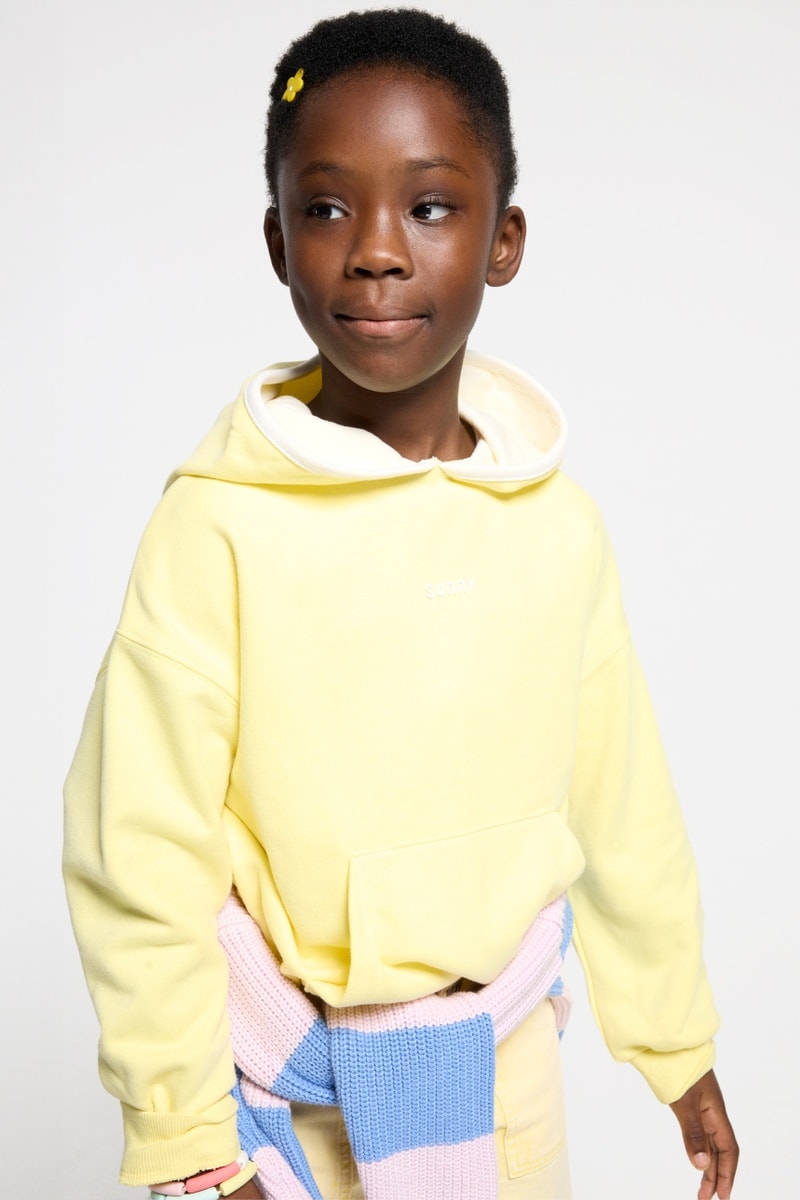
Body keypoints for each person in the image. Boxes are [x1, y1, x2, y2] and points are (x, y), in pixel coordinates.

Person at [63, 9, 739, 1199]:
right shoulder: (218, 526)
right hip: (285, 1104)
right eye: (327, 209)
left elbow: (620, 802)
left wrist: (674, 1043)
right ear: (276, 241)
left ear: (502, 240)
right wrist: (186, 1138)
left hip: (507, 1079)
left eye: (429, 206)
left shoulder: (555, 526)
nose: (375, 251)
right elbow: (140, 847)